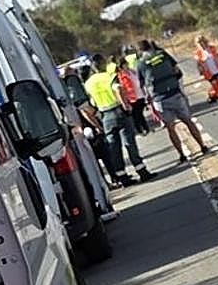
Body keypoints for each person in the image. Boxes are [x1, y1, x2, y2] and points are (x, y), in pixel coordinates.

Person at [84, 54, 155, 185]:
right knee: (129, 142)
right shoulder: (109, 76)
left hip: (105, 116)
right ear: (103, 64)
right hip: (118, 111)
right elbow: (118, 89)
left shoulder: (88, 84)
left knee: (114, 147)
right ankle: (141, 171)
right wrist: (126, 106)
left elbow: (88, 105)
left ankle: (122, 177)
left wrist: (96, 123)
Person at [137, 39, 210, 164]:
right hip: (175, 93)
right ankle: (203, 146)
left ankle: (182, 155)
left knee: (171, 128)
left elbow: (142, 85)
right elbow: (177, 70)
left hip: (159, 98)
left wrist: (148, 98)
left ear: (140, 50)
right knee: (188, 121)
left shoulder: (141, 64)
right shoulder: (162, 54)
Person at [115, 56, 151, 135]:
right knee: (135, 115)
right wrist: (125, 101)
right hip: (131, 98)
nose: (126, 65)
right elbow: (122, 88)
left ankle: (145, 128)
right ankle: (140, 130)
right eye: (124, 64)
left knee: (140, 113)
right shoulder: (121, 76)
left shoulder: (132, 71)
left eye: (126, 64)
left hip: (139, 94)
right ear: (121, 66)